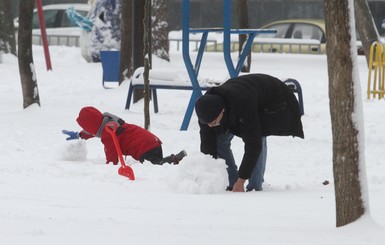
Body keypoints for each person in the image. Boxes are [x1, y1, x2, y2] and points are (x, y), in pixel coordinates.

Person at [195, 74, 304, 192]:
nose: (210, 125)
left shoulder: (242, 104)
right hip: (247, 95)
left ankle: (254, 187)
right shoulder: (206, 110)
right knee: (219, 140)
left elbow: (253, 145)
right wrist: (209, 171)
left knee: (258, 136)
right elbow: (207, 144)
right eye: (208, 123)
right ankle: (230, 181)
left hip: (275, 100)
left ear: (222, 111)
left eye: (214, 121)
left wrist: (242, 179)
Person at [62, 106, 186, 165]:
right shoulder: (108, 124)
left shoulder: (107, 134)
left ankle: (173, 159)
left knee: (155, 165)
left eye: (85, 128)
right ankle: (171, 160)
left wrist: (110, 166)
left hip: (144, 148)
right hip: (151, 142)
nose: (86, 130)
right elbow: (95, 131)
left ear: (90, 127)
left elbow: (112, 154)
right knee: (155, 164)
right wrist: (80, 135)